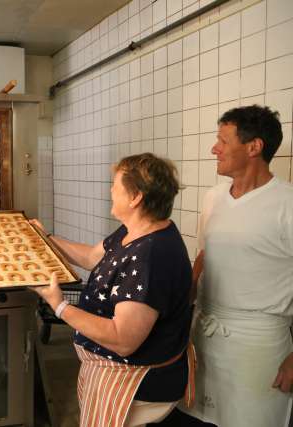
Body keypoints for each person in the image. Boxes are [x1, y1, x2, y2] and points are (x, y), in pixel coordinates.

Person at [32, 153, 195, 427]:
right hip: (112, 368)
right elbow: (91, 257)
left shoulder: (150, 256)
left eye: (115, 185)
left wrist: (60, 306)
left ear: (136, 198)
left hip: (135, 378)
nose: (110, 190)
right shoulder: (135, 230)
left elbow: (124, 339)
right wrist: (45, 239)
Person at [177, 105, 293, 427]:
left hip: (257, 348)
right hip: (204, 335)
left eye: (223, 141)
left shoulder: (287, 204)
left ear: (254, 147)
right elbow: (204, 257)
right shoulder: (213, 197)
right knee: (197, 418)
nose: (214, 148)